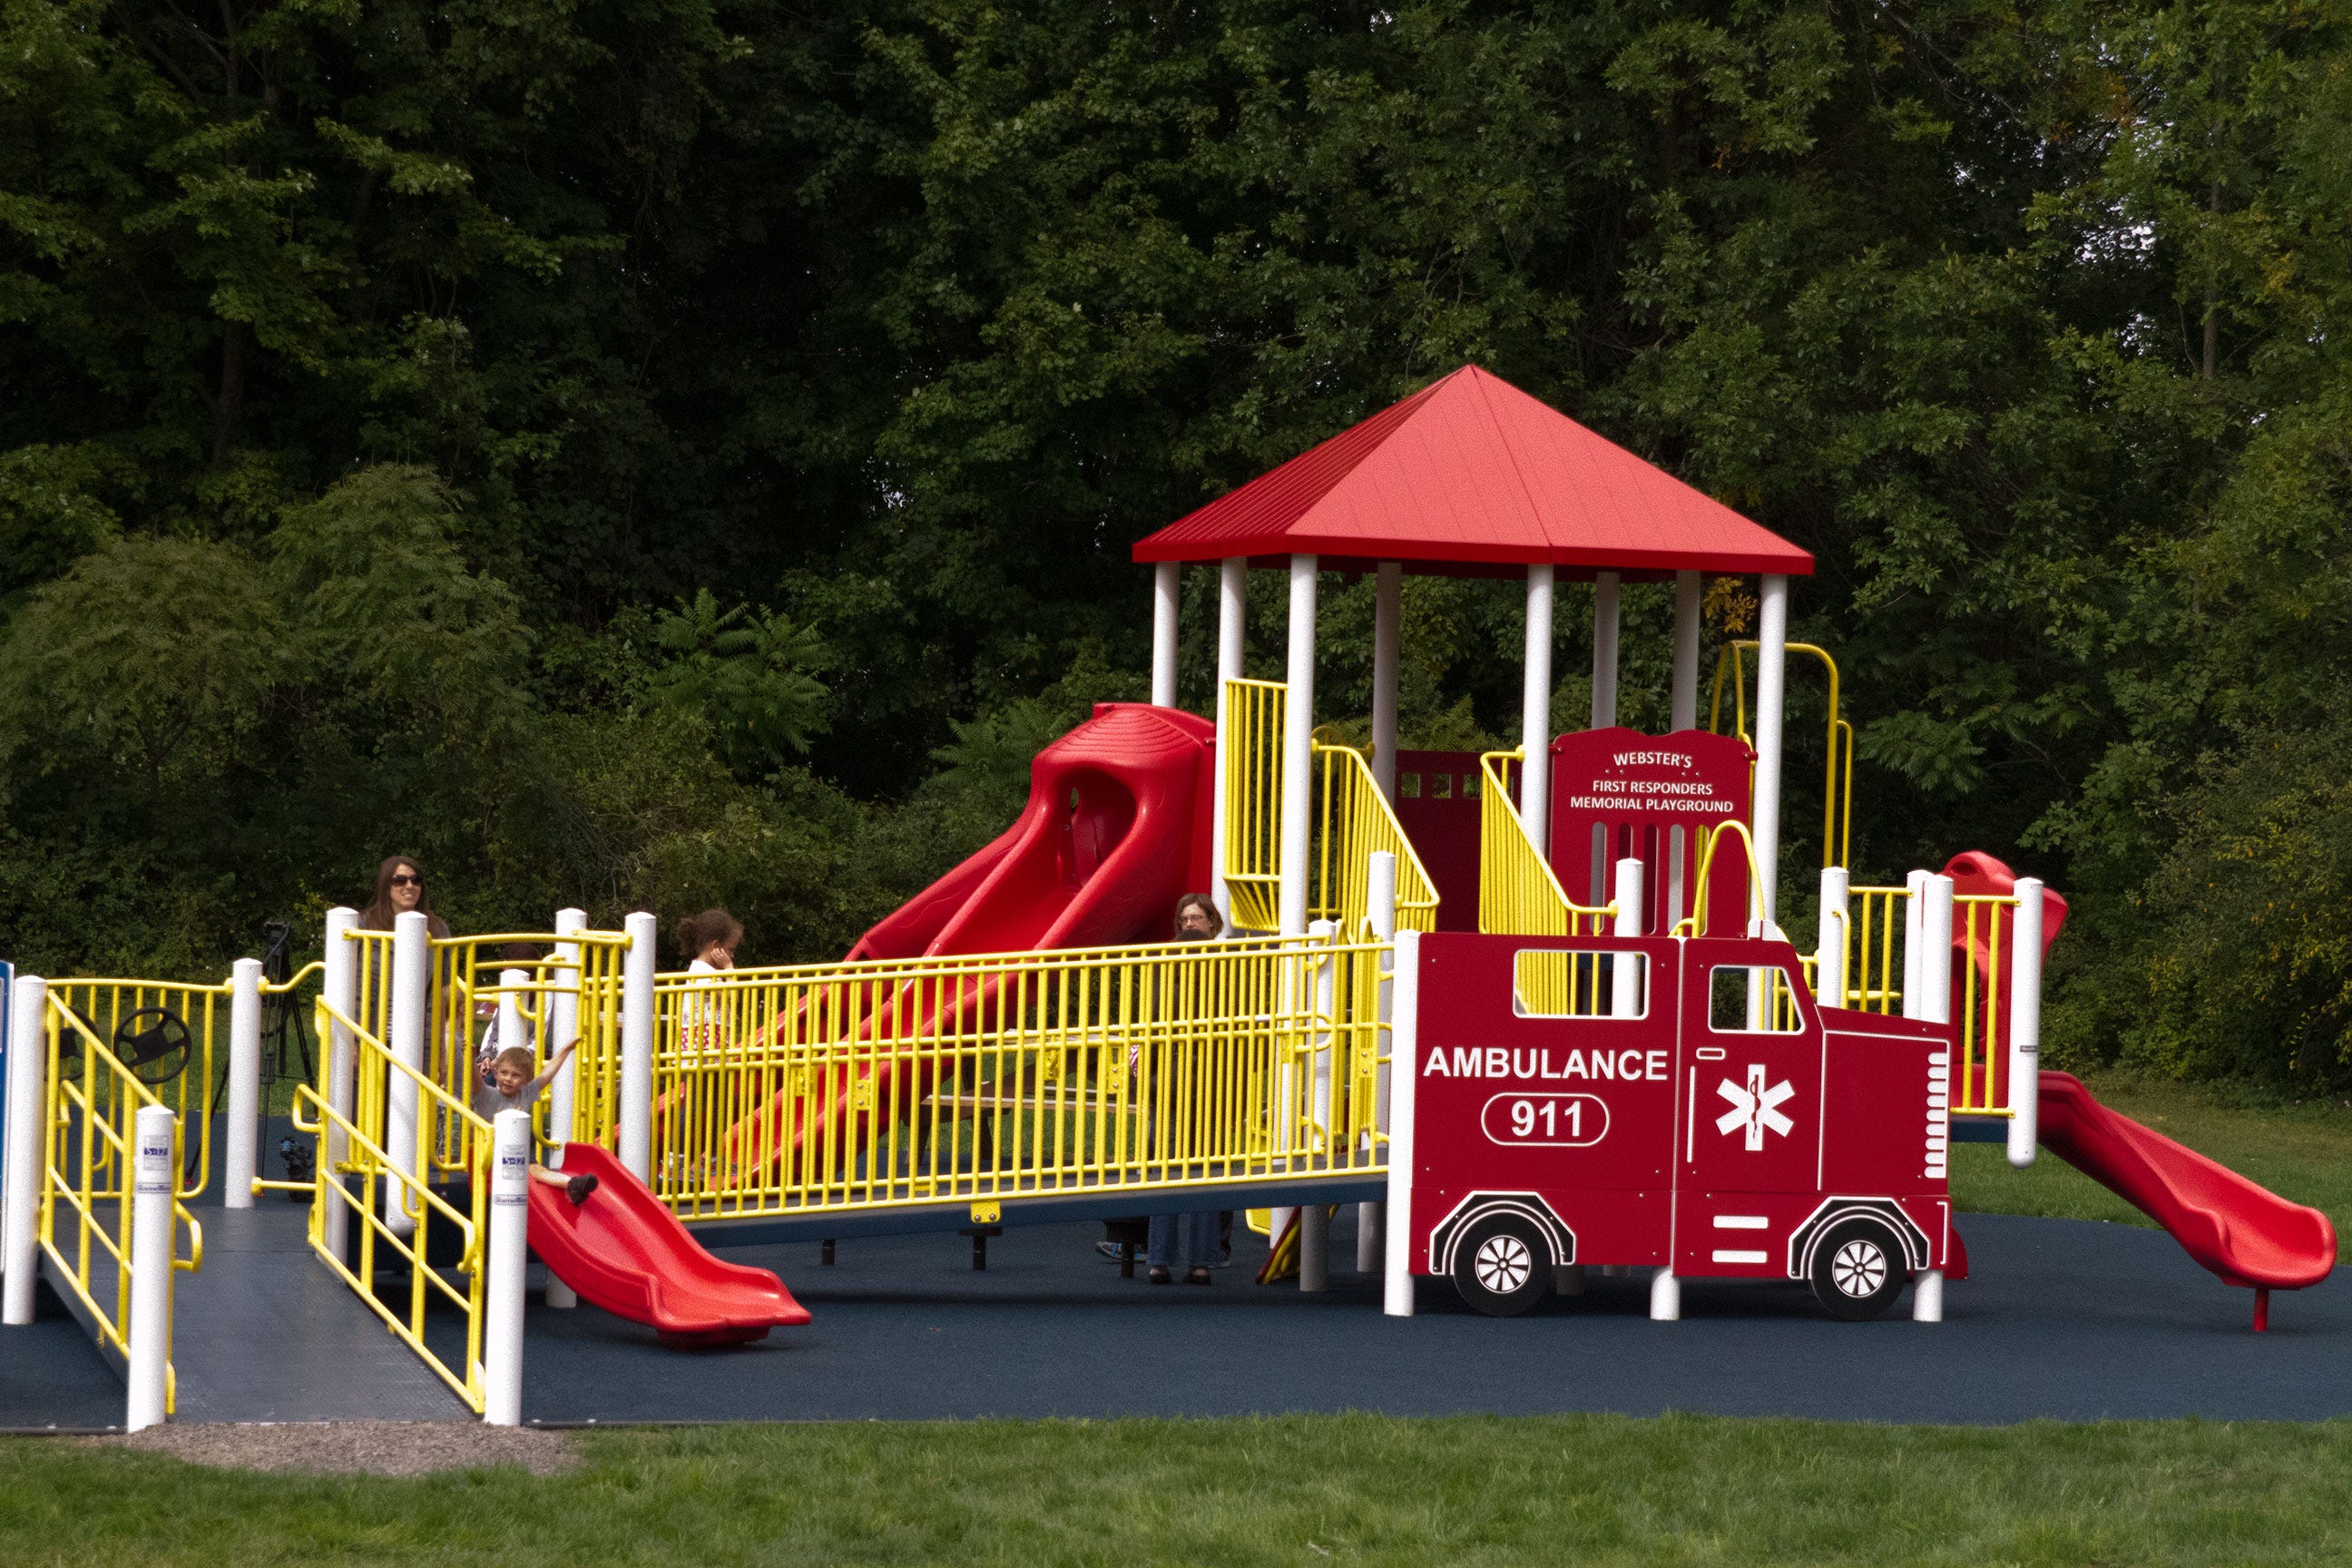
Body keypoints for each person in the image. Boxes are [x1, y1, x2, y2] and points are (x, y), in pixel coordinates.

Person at [1143, 893, 1227, 1286]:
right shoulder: (1165, 965)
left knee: (1206, 1174)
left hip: (1210, 1089)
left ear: (1213, 924)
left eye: (1198, 918)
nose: (1191, 924)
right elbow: (1151, 1021)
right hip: (1171, 1086)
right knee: (1165, 1171)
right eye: (1185, 919)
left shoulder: (1228, 967)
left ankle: (1201, 1261)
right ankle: (1159, 1259)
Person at [474, 1042, 597, 1205]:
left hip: (515, 1155)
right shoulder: (488, 1095)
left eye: (515, 1075)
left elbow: (546, 1075)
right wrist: (469, 1054)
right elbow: (474, 1079)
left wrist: (565, 1051)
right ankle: (572, 1184)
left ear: (526, 1080)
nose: (508, 1079)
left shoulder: (525, 1093)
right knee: (531, 1167)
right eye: (504, 1073)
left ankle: (572, 1184)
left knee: (536, 1167)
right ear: (495, 1074)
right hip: (488, 1156)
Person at [358, 855, 451, 936]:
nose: (410, 886)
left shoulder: (438, 927)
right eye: (399, 880)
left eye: (415, 880)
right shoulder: (363, 924)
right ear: (386, 886)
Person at [678, 908, 743, 972]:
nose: (732, 955)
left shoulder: (705, 970)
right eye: (730, 950)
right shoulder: (702, 972)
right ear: (716, 946)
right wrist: (728, 967)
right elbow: (730, 983)